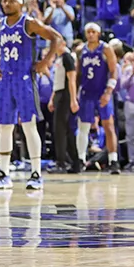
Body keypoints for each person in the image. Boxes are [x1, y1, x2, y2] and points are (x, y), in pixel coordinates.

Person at [0, 0, 67, 190]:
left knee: (29, 126)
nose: (6, 3)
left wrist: (45, 61)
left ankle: (36, 173)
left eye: (11, 0)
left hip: (24, 79)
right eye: (4, 0)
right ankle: (4, 174)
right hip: (5, 80)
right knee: (5, 127)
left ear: (20, 4)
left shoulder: (28, 23)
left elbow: (56, 37)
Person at [74, 22, 120, 174]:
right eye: (88, 32)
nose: (91, 34)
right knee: (83, 127)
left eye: (93, 31)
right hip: (86, 93)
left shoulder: (106, 49)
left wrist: (108, 92)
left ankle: (113, 161)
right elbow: (77, 74)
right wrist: (75, 94)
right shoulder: (81, 50)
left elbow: (114, 72)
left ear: (98, 33)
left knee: (108, 126)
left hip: (102, 93)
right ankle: (81, 160)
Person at [47, 38, 79, 172]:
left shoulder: (67, 57)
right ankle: (75, 163)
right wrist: (52, 99)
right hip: (59, 94)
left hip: (66, 95)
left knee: (60, 130)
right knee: (65, 130)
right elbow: (57, 81)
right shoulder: (58, 59)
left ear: (64, 44)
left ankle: (61, 163)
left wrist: (73, 99)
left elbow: (72, 80)